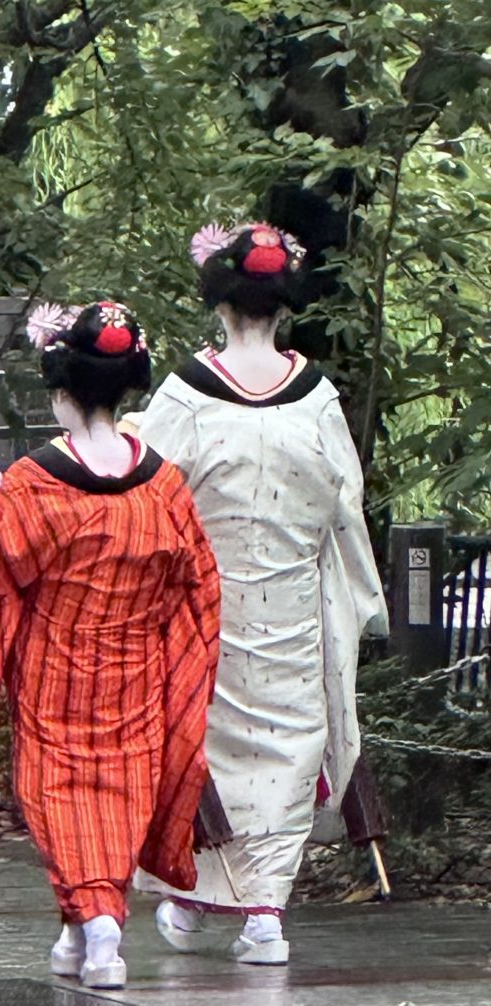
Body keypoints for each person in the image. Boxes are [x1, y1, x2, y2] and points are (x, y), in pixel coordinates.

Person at [0, 300, 221, 990]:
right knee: (120, 798)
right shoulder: (161, 485)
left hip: (57, 674)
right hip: (137, 674)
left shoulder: (36, 484)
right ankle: (86, 924)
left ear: (61, 388)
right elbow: (197, 583)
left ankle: (100, 931)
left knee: (61, 798)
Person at [134, 221, 389, 965]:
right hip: (294, 610)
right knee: (286, 747)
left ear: (219, 305)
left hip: (203, 608)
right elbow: (345, 506)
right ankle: (263, 915)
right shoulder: (315, 399)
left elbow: (147, 498)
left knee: (201, 746)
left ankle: (190, 896)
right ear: (282, 309)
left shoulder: (184, 396)